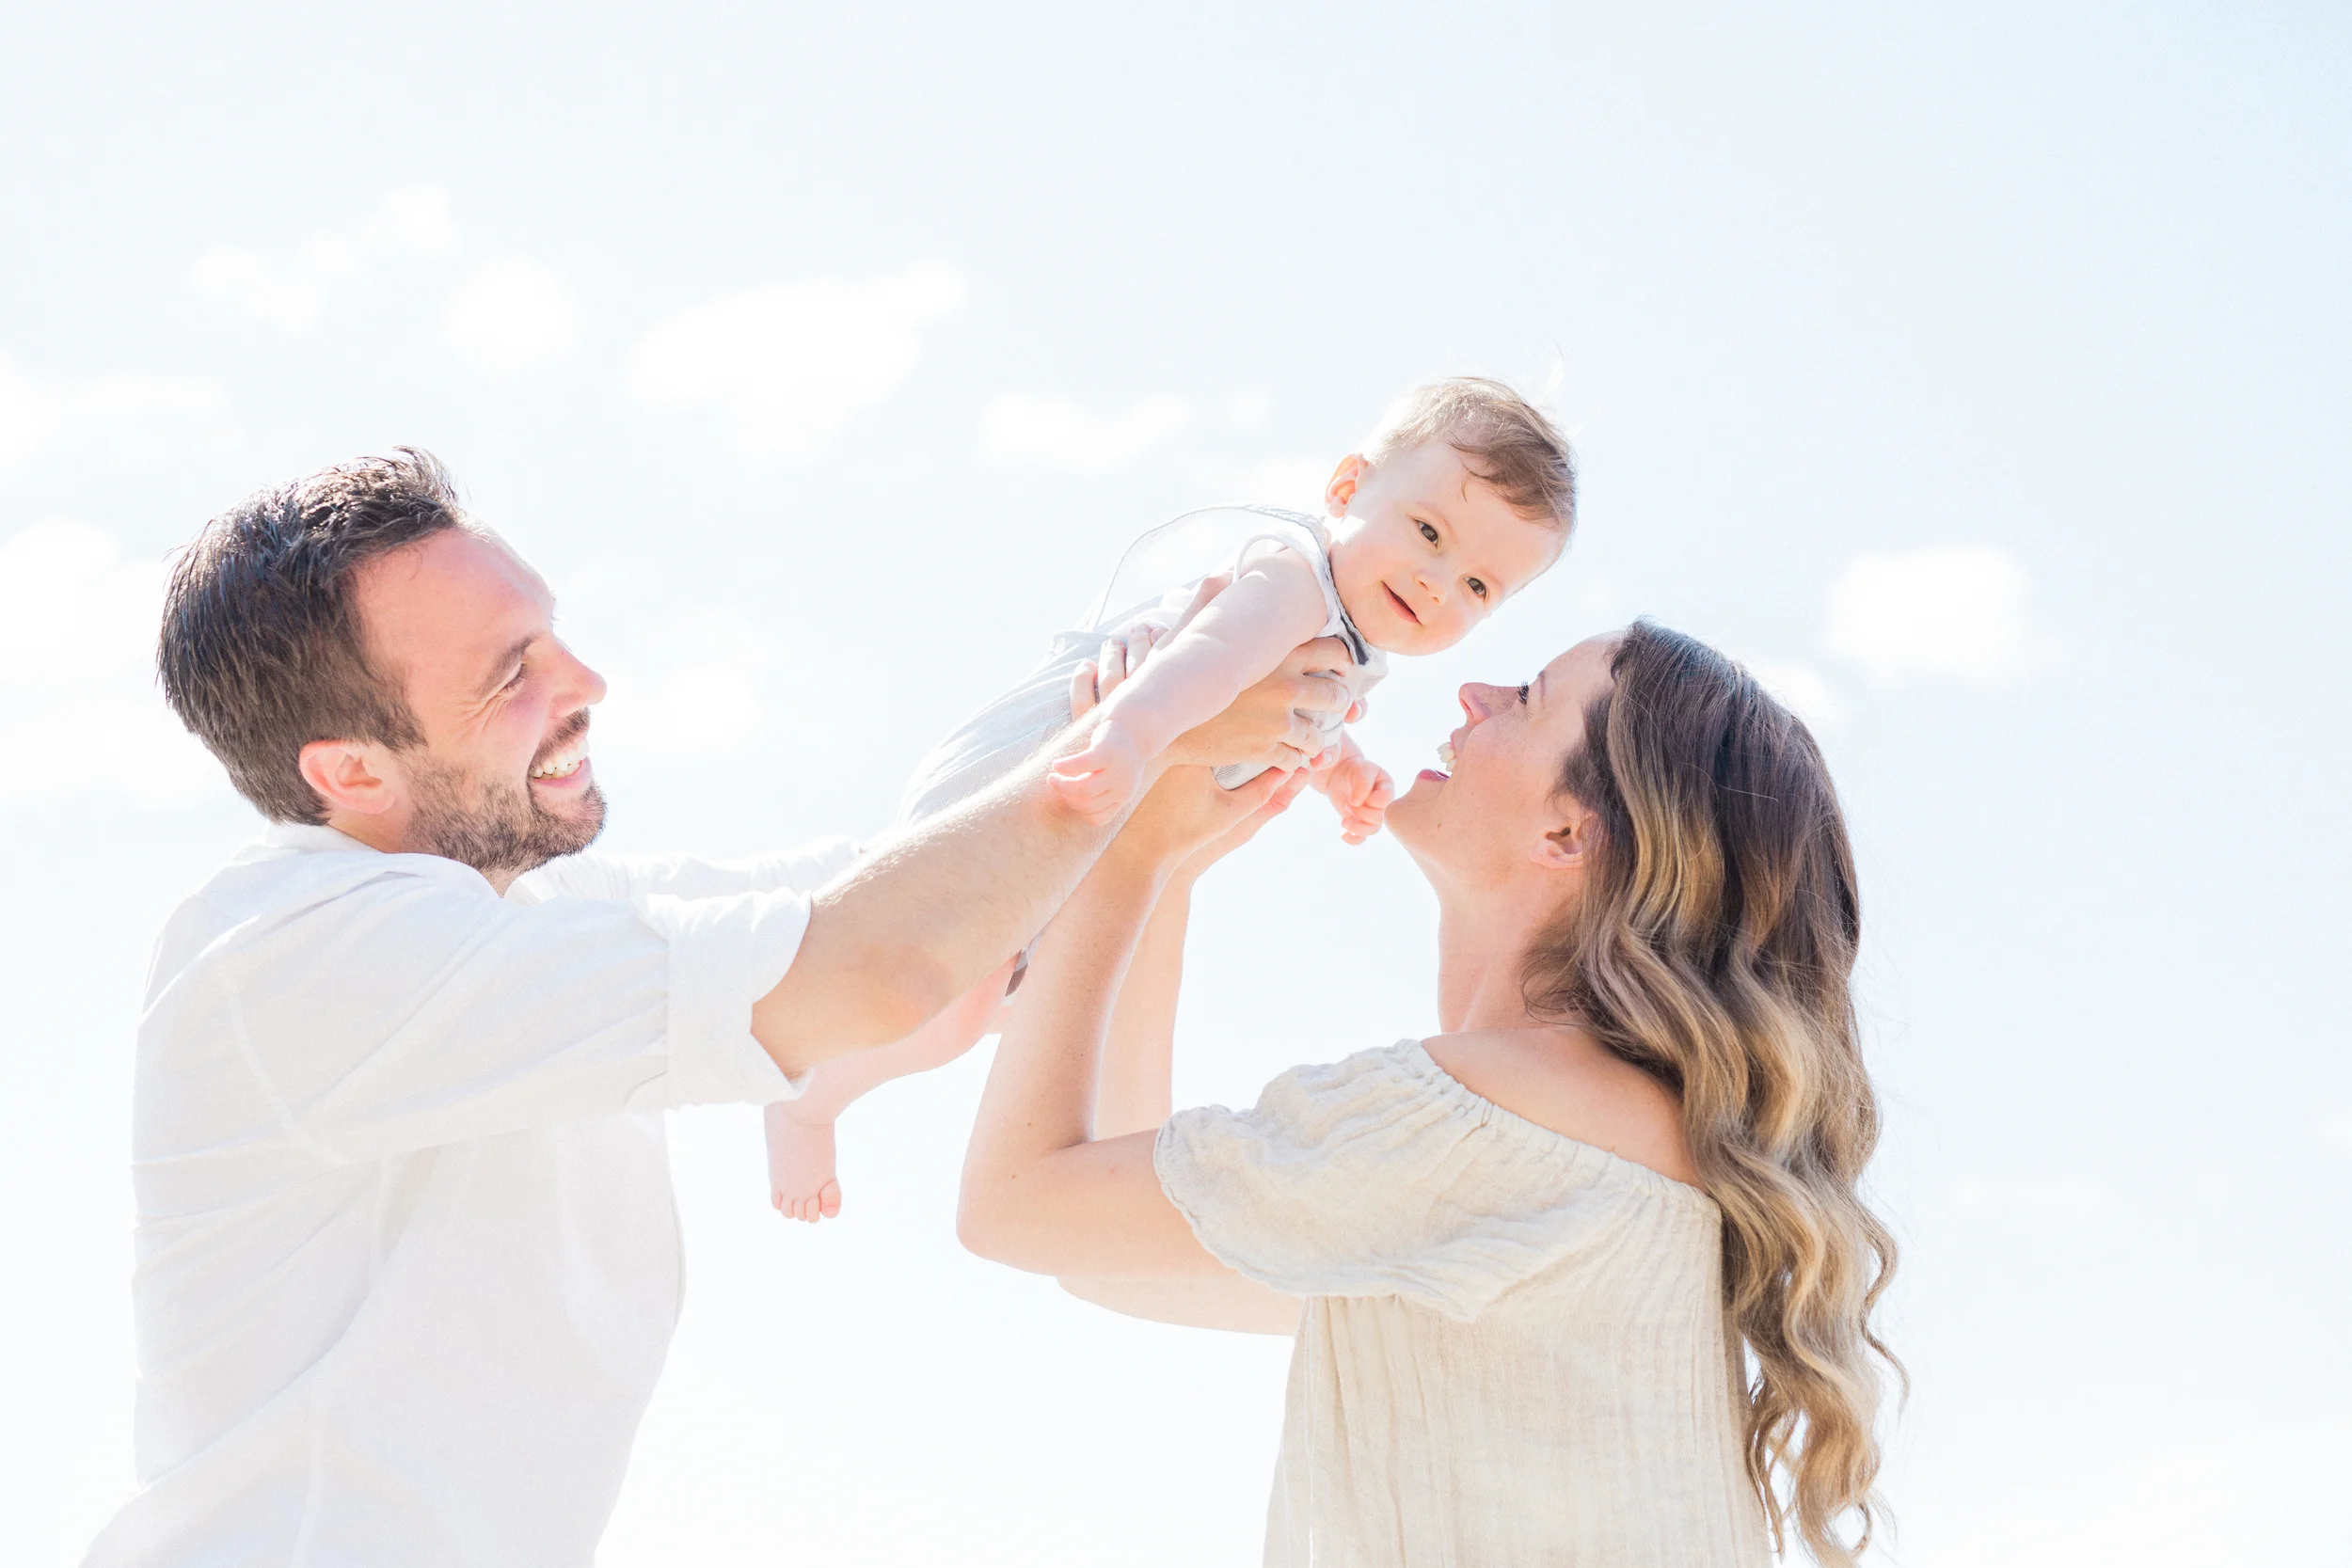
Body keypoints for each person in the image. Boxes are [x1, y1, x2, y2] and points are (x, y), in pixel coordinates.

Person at [83, 450, 1347, 1568]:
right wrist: (1146, 731)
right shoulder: (296, 955)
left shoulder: (542, 916)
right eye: (511, 673)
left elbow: (923, 897)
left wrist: (1169, 714)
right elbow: (884, 957)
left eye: (552, 633)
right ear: (351, 770)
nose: (587, 679)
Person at [960, 621, 1901, 1567]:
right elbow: (1107, 1253)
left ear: (1568, 832)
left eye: (1526, 697)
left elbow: (1014, 1203)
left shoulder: (1499, 1121)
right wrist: (1163, 864)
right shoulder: (1612, 1142)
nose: (1474, 695)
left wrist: (1123, 832)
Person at [766, 376, 1579, 1220]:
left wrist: (1342, 769)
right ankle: (802, 1097)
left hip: (1090, 817)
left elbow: (1286, 712)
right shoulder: (1295, 582)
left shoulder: (1347, 636)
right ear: (1346, 488)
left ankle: (809, 1061)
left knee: (975, 1012)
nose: (1439, 583)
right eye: (1428, 532)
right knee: (940, 1002)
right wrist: (1128, 733)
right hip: (1044, 767)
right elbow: (1208, 660)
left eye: (1478, 587)